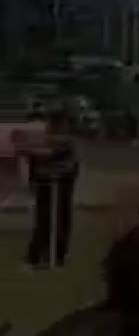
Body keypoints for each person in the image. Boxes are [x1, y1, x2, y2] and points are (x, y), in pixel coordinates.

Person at [25, 113, 80, 270]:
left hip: (62, 187)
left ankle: (57, 255)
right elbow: (33, 161)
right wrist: (34, 179)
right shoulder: (42, 143)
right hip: (46, 186)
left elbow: (71, 165)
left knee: (61, 221)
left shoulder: (67, 144)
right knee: (44, 221)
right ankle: (37, 255)